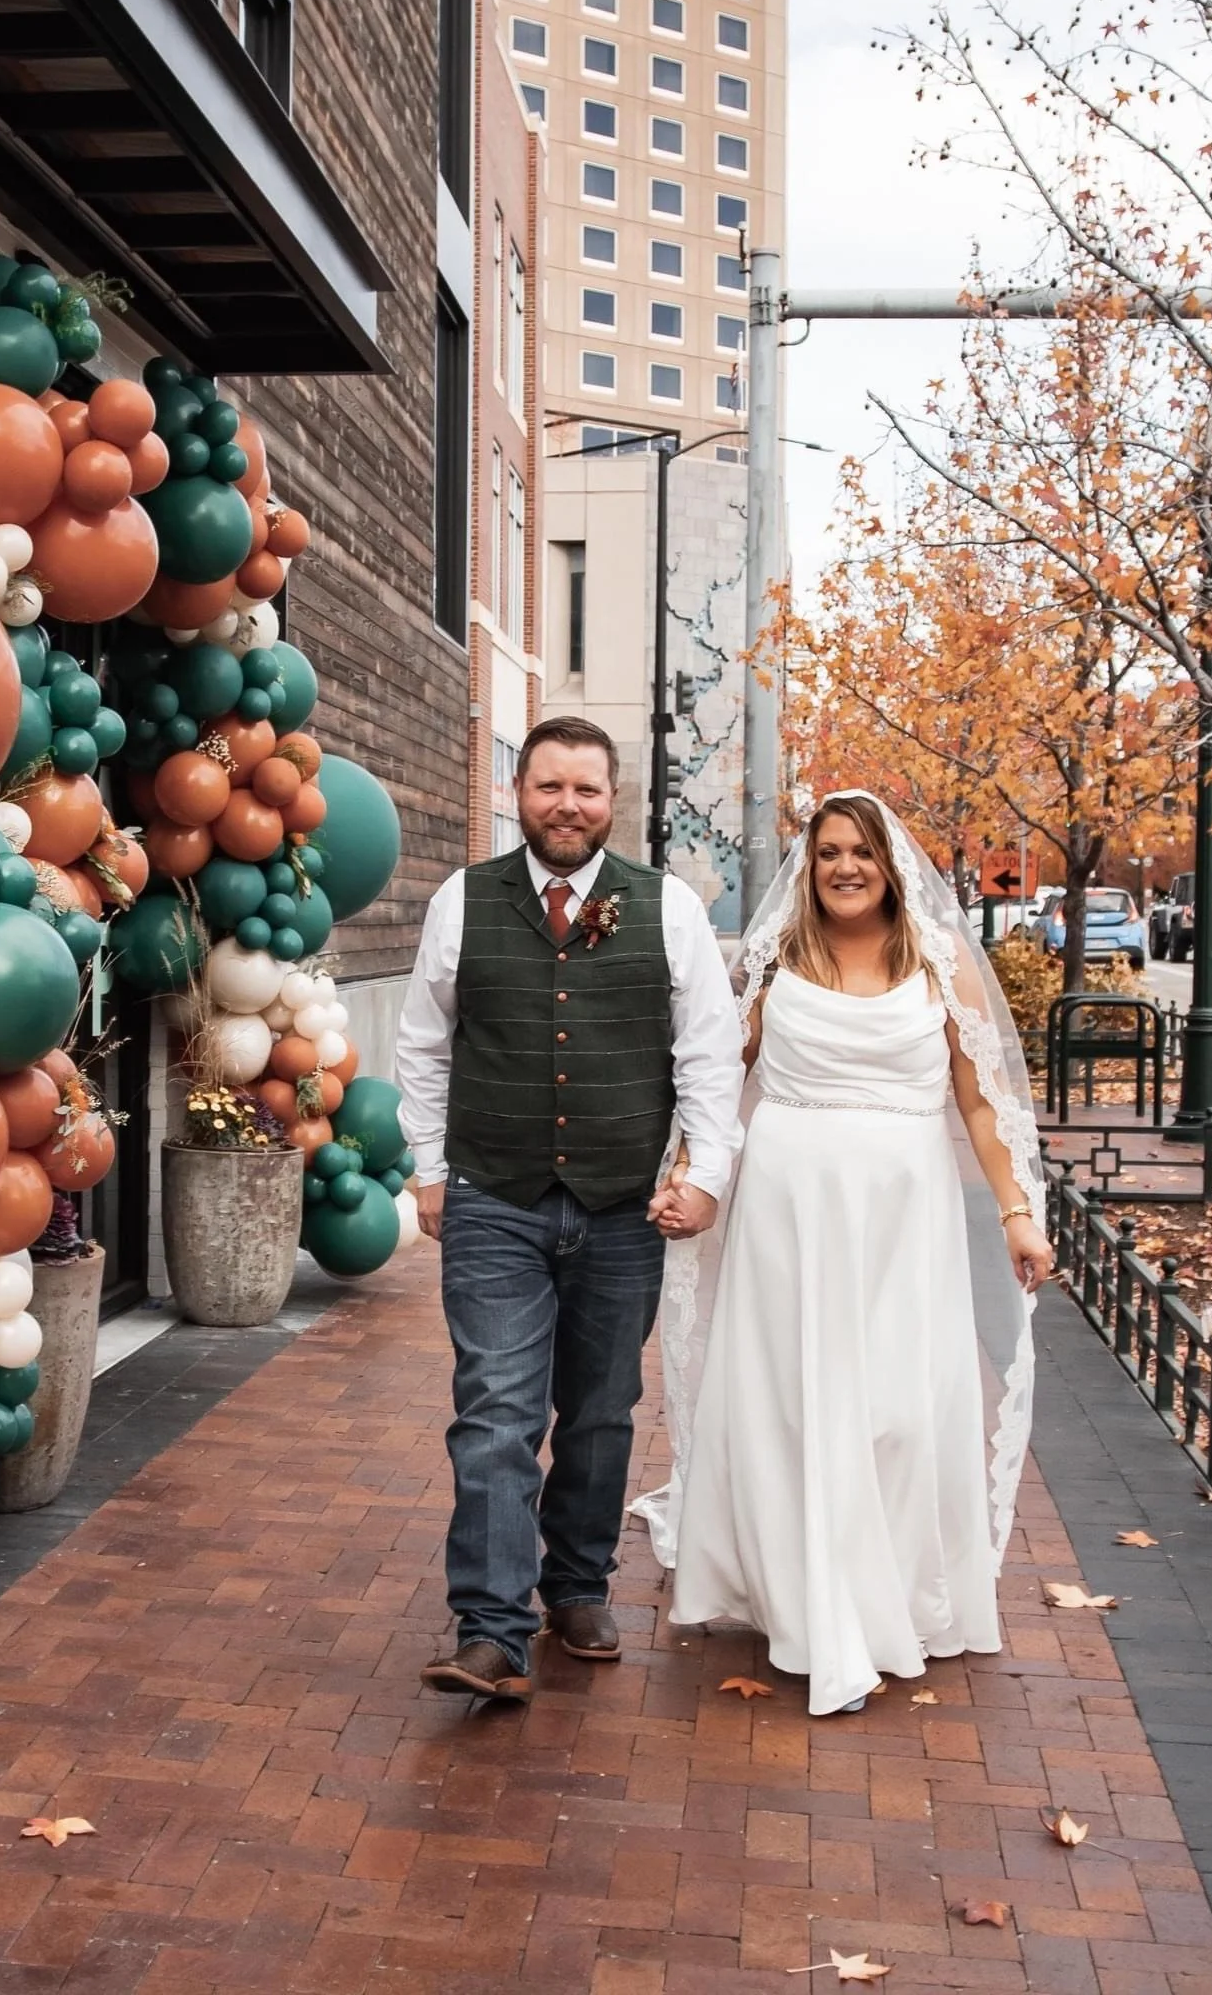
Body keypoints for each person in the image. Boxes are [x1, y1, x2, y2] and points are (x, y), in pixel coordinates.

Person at [641, 791, 1053, 1718]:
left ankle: (890, 1595)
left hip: (905, 1215)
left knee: (899, 1408)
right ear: (809, 863)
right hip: (788, 1206)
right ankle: (801, 1598)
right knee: (791, 1402)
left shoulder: (943, 968)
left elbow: (982, 1103)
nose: (844, 867)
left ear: (892, 865)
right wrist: (686, 1171)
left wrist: (1016, 1211)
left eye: (860, 851)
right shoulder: (775, 959)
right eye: (827, 851)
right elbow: (716, 1080)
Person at [395, 716, 744, 1700]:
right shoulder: (461, 901)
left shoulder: (666, 908)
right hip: (492, 1198)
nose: (567, 805)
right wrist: (425, 1169)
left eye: (585, 789)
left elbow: (707, 1056)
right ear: (516, 791)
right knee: (496, 1409)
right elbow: (422, 1043)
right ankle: (492, 1629)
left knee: (598, 1410)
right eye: (549, 786)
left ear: (612, 797)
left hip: (621, 1202)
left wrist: (705, 1174)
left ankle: (577, 1582)